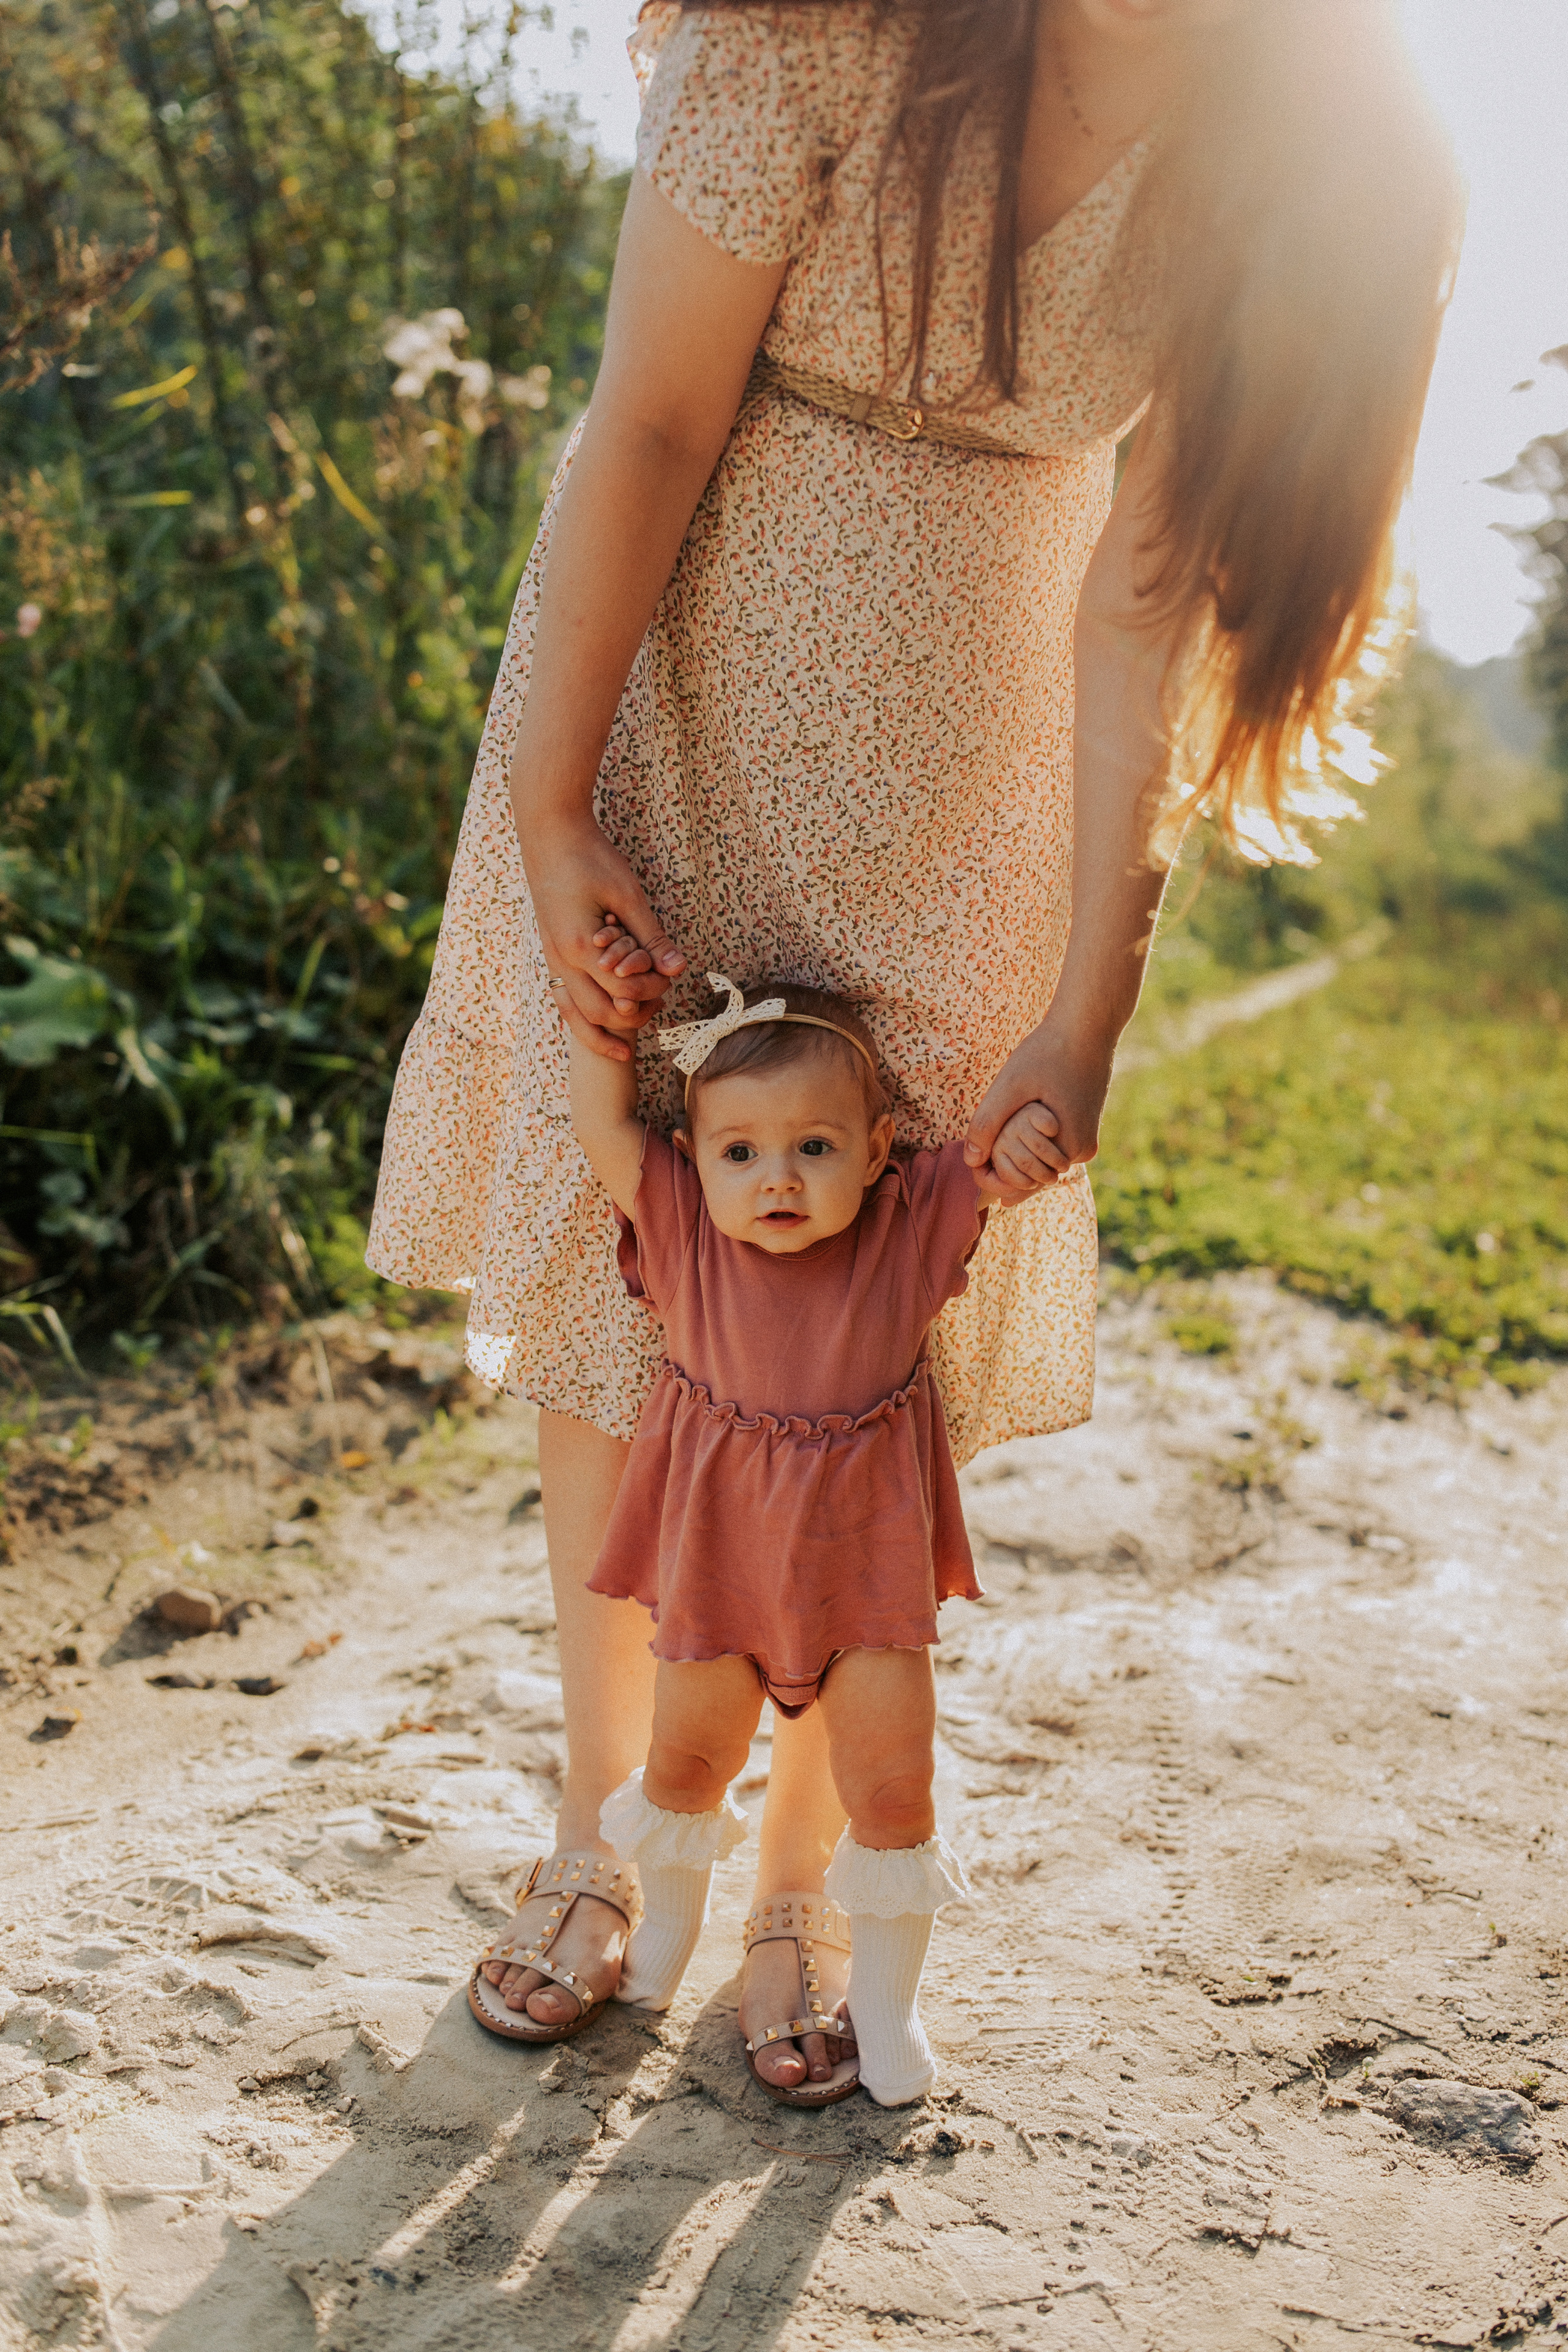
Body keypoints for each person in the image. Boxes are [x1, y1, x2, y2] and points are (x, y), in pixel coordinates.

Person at [368, 0, 1461, 2095]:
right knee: (642, 1288)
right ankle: (606, 1837)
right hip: (672, 683)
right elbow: (652, 421)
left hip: (975, 780)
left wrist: (1091, 1001)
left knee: (865, 1339)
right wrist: (557, 801)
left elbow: (1147, 598)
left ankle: (792, 1892)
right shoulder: (826, 36)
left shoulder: (1279, 133)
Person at [486, 975, 1060, 2103]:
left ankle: (888, 2013)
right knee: (687, 1763)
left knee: (895, 1785)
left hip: (867, 1571)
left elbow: (1000, 1161)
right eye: (739, 1151)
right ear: (695, 1158)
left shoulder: (909, 1220)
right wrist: (600, 1030)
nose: (778, 1178)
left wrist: (1038, 1135)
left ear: (878, 1147)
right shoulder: (683, 1228)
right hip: (720, 1562)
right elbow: (604, 1125)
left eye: (813, 1145)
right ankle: (661, 1948)